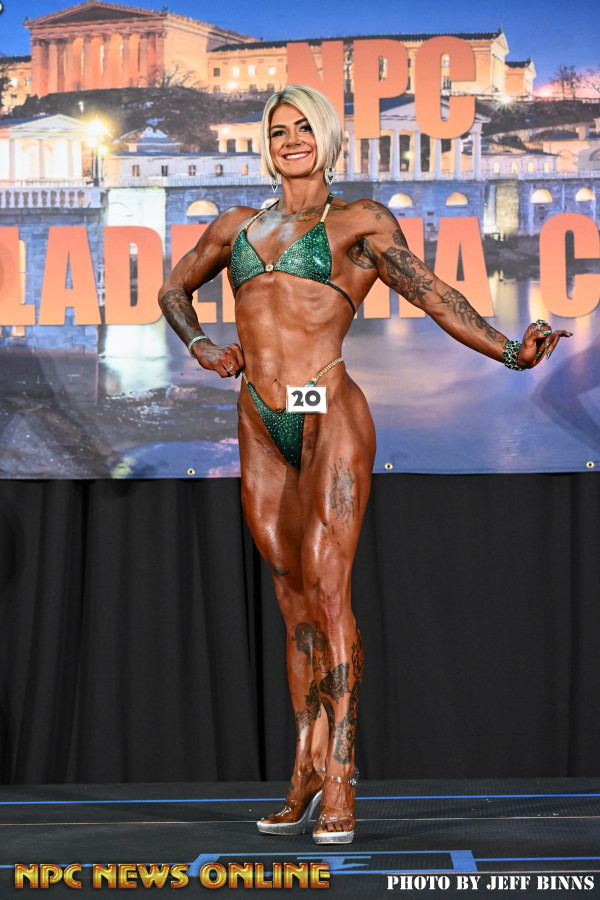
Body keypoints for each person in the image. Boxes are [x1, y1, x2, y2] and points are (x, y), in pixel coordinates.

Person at [157, 84, 572, 844]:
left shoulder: (359, 223)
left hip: (329, 412)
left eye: (303, 128)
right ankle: (305, 769)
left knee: (327, 588)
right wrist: (202, 346)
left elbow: (434, 295)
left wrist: (511, 353)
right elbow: (172, 289)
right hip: (259, 418)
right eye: (278, 131)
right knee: (291, 600)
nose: (290, 140)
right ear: (266, 144)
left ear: (327, 138)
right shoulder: (235, 225)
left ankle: (344, 774)